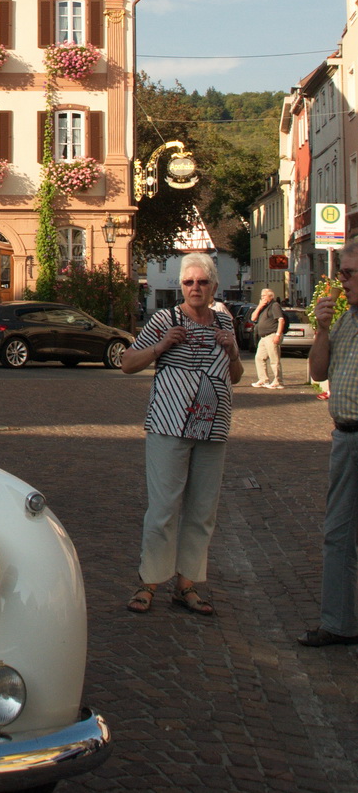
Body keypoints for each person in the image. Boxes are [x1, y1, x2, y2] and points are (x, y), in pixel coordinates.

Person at [121, 252, 242, 617]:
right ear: (180, 287)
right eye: (188, 282)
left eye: (202, 282)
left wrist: (233, 350)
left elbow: (235, 376)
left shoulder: (224, 321)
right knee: (163, 508)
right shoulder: (165, 318)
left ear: (213, 286)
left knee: (203, 510)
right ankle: (149, 582)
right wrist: (161, 346)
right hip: (170, 425)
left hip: (213, 427)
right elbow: (127, 363)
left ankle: (187, 584)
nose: (195, 288)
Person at [299, 243, 358, 646]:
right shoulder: (346, 321)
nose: (343, 281)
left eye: (350, 274)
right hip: (346, 436)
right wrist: (321, 329)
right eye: (343, 274)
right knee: (337, 533)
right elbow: (318, 371)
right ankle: (338, 623)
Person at [250, 287, 288, 389]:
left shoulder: (274, 306)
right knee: (259, 358)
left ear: (270, 296)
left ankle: (278, 381)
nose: (262, 298)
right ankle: (263, 380)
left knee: (274, 359)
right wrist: (259, 306)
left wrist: (278, 335)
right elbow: (253, 318)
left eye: (264, 296)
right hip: (263, 337)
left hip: (272, 335)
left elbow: (281, 320)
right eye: (261, 296)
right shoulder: (263, 307)